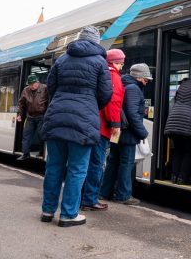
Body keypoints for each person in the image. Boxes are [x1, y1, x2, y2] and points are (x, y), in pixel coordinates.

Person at [40, 26, 112, 227]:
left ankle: (47, 211)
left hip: (56, 117)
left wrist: (61, 102)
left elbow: (51, 87)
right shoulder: (100, 62)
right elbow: (106, 93)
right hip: (84, 120)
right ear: (96, 41)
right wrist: (90, 104)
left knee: (53, 167)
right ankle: (68, 214)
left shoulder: (62, 59)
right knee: (77, 169)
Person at [100, 63, 151, 205]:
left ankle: (104, 192)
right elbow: (132, 114)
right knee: (126, 163)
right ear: (139, 77)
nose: (147, 81)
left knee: (113, 161)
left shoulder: (125, 85)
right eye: (146, 78)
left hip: (118, 131)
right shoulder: (134, 89)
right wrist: (142, 133)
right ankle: (123, 195)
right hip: (127, 133)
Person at [81, 49, 126, 211]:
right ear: (115, 62)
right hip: (102, 128)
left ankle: (83, 197)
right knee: (96, 164)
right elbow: (113, 102)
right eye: (121, 63)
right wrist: (115, 123)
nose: (122, 66)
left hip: (92, 124)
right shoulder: (113, 76)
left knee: (86, 163)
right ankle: (89, 199)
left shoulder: (99, 73)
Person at [164, 67, 191, 185]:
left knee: (178, 150)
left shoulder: (183, 84)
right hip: (187, 120)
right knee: (189, 150)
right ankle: (183, 178)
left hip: (173, 119)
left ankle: (174, 177)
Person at [16, 74, 48, 160]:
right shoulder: (25, 90)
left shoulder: (45, 88)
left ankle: (42, 152)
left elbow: (49, 102)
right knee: (26, 135)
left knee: (41, 135)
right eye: (29, 85)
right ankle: (25, 154)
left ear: (37, 82)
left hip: (41, 116)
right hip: (30, 117)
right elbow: (21, 104)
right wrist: (19, 114)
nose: (31, 87)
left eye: (32, 84)